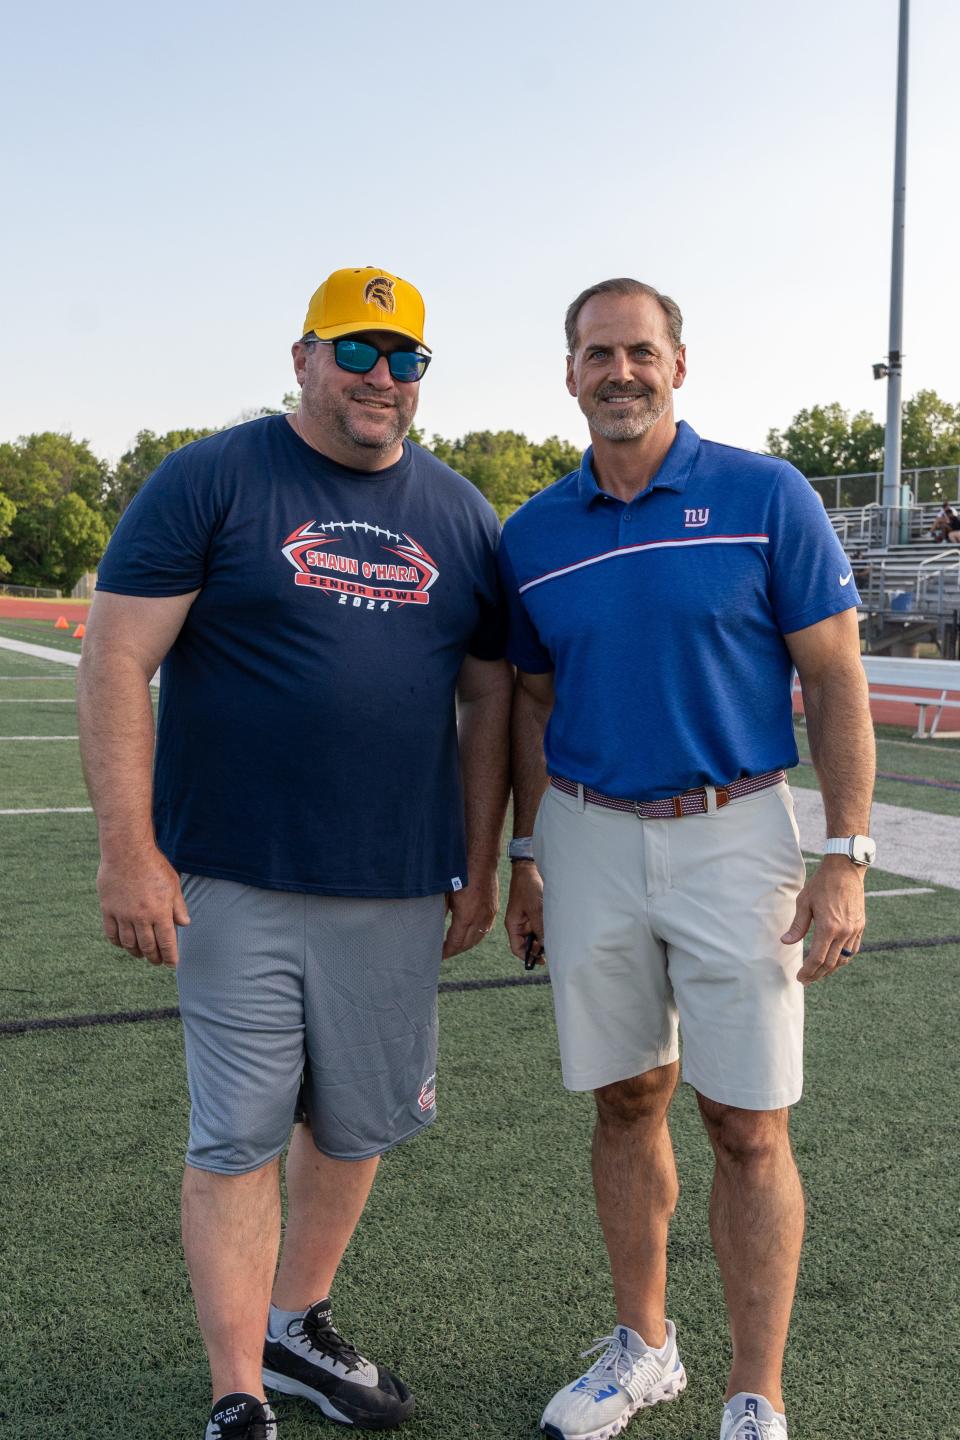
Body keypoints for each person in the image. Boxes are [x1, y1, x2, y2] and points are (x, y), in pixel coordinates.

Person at [77, 266, 511, 1440]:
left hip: (394, 880)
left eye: (406, 358)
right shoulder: (214, 476)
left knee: (358, 1124)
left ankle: (297, 1321)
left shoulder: (463, 513)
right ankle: (237, 1391)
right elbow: (118, 660)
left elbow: (489, 701)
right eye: (358, 351)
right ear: (304, 356)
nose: (382, 378)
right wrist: (130, 852)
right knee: (237, 1133)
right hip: (235, 871)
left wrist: (477, 856)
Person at [498, 278, 876, 1440]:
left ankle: (754, 1393)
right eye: (597, 353)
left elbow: (835, 677)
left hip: (735, 833)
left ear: (678, 363)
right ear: (569, 374)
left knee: (747, 1121)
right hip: (585, 831)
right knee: (626, 1099)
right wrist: (524, 852)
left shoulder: (767, 494)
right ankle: (644, 1350)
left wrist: (848, 851)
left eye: (640, 351)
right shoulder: (531, 532)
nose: (621, 372)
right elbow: (527, 697)